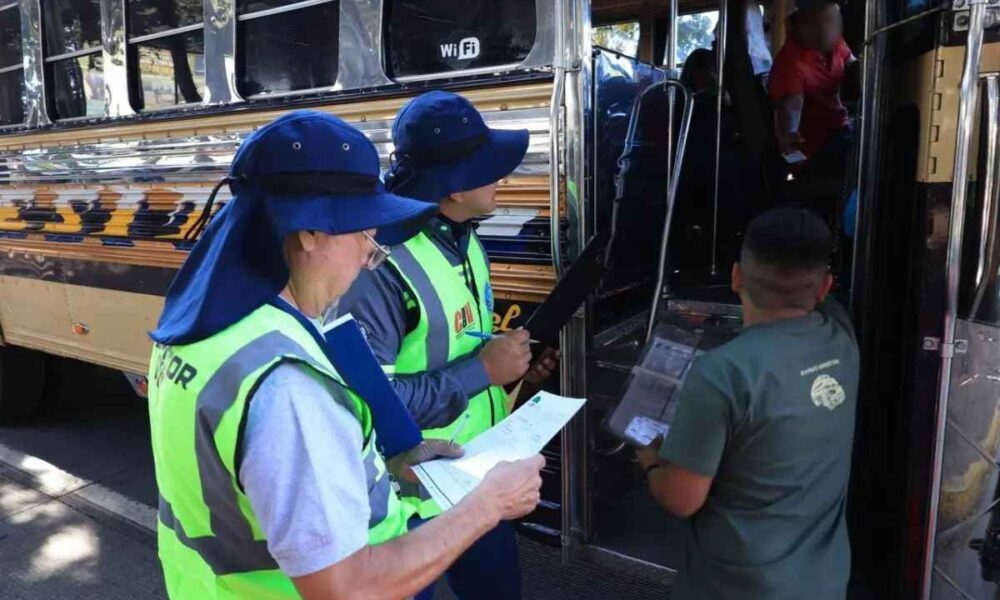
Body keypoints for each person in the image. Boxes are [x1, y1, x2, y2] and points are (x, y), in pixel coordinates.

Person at [147, 110, 545, 600]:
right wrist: (489, 503)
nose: (369, 251)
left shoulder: (213, 331)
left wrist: (388, 466)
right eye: (361, 230)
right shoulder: (288, 385)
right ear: (309, 233)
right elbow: (348, 588)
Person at [339, 90, 558, 600]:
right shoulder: (381, 265)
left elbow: (460, 346)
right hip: (410, 503)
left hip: (478, 480)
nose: (503, 176)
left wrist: (515, 372)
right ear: (454, 189)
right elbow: (368, 400)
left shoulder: (465, 238)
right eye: (489, 167)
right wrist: (483, 371)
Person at [637, 207, 859, 599]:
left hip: (734, 588)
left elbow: (681, 499)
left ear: (736, 277)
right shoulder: (841, 337)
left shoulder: (721, 373)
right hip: (823, 583)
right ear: (825, 287)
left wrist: (651, 458)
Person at [770, 0, 857, 174]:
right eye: (816, 21)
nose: (826, 27)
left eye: (830, 20)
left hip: (842, 126)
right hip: (818, 148)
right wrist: (796, 168)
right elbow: (789, 131)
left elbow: (854, 66)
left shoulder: (835, 43)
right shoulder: (791, 66)